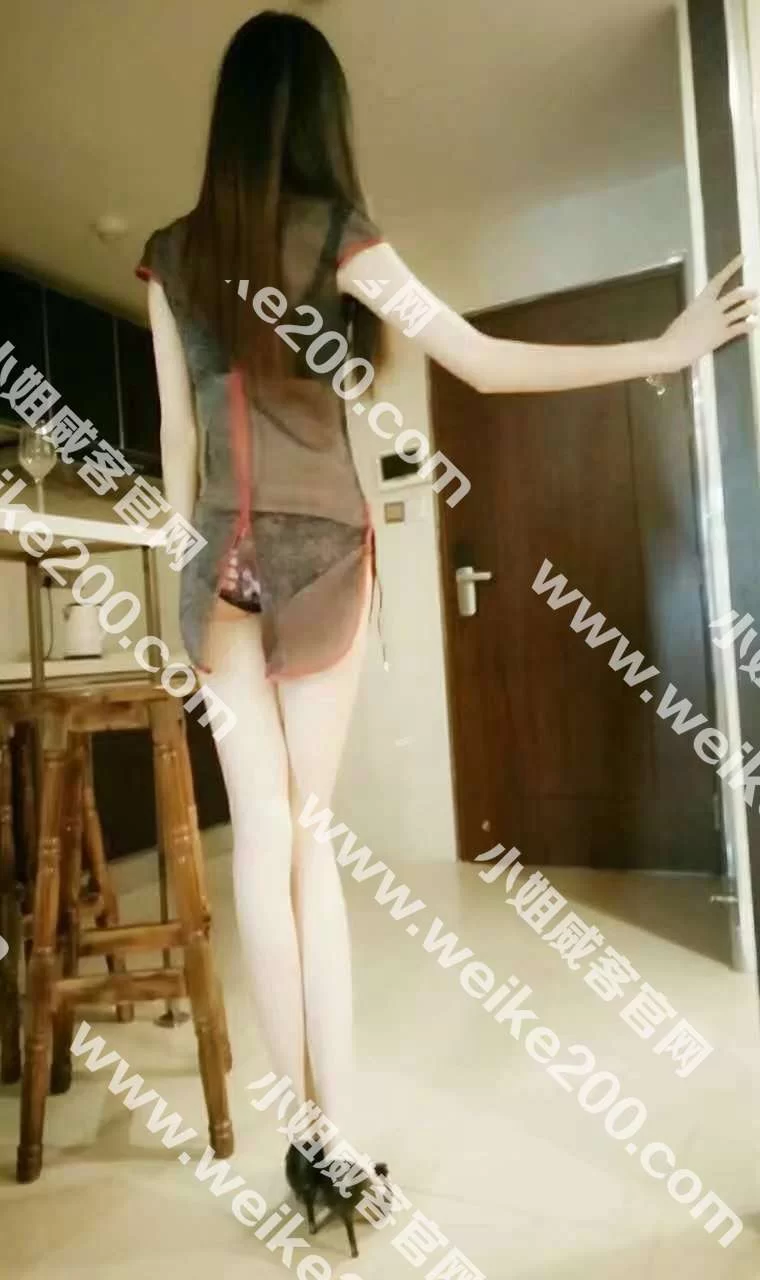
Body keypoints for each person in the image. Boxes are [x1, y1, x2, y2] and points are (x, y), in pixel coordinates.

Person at [137, 8, 757, 1252]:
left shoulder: (167, 254)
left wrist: (180, 593)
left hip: (218, 559)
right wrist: (665, 346)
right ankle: (339, 1134)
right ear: (317, 117)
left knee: (260, 844)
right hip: (323, 546)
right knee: (311, 841)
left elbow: (178, 442)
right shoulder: (337, 233)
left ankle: (302, 1140)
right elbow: (478, 361)